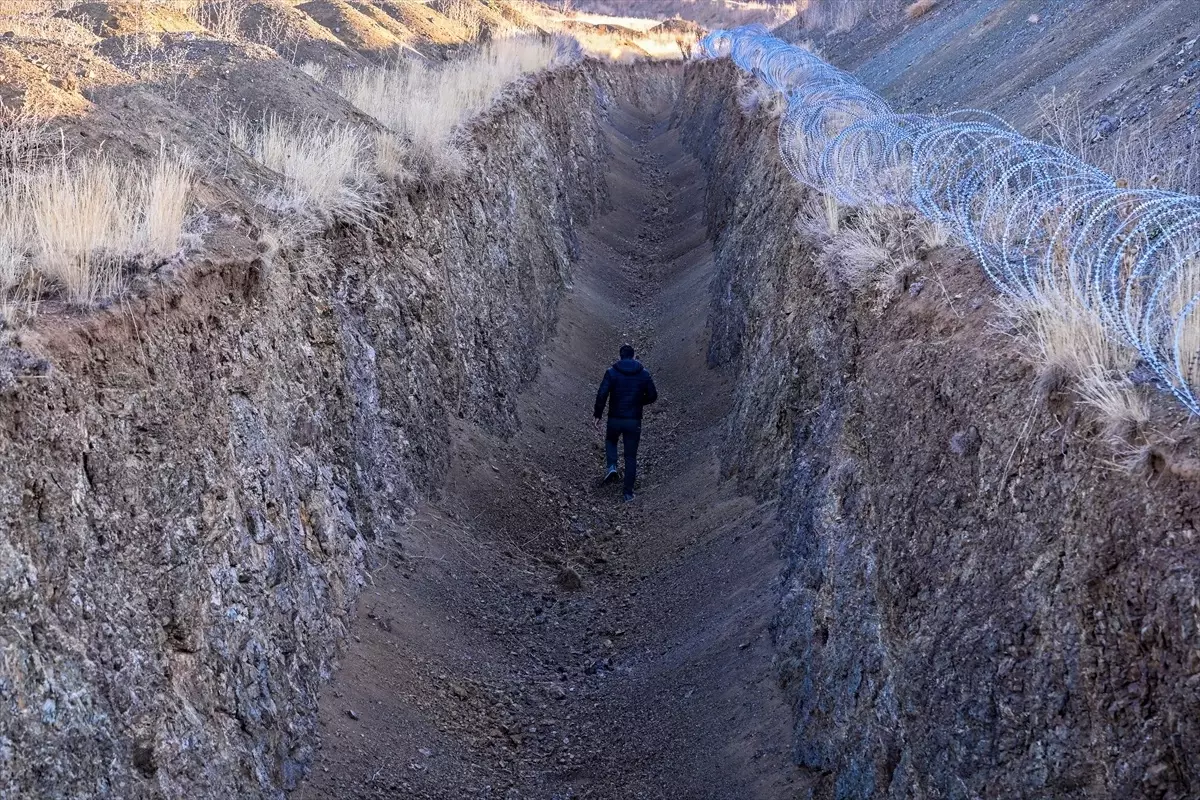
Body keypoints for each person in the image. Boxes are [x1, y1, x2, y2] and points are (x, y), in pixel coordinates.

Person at [593, 344, 658, 501]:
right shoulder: (643, 374)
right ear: (634, 356)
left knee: (611, 440)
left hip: (614, 417)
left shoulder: (612, 372)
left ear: (620, 356)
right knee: (630, 456)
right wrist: (638, 402)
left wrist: (598, 414)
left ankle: (612, 466)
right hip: (633, 420)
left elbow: (602, 393)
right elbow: (653, 395)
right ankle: (628, 493)